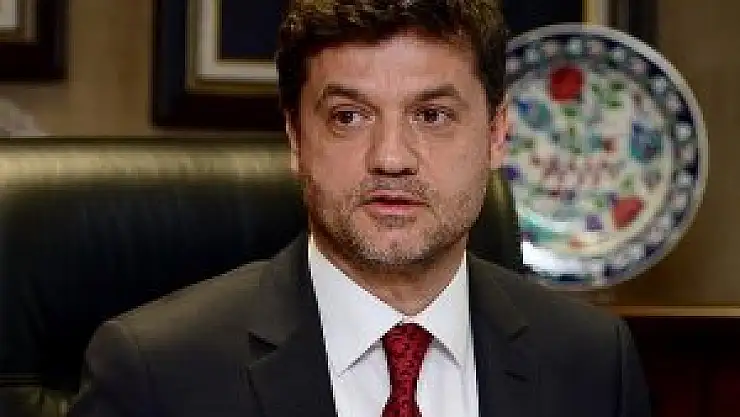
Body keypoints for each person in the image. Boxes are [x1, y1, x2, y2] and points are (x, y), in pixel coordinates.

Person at [68, 1, 651, 416]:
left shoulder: (593, 362)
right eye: (349, 116)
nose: (391, 158)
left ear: (497, 135)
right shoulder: (156, 373)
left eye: (432, 116)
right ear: (296, 139)